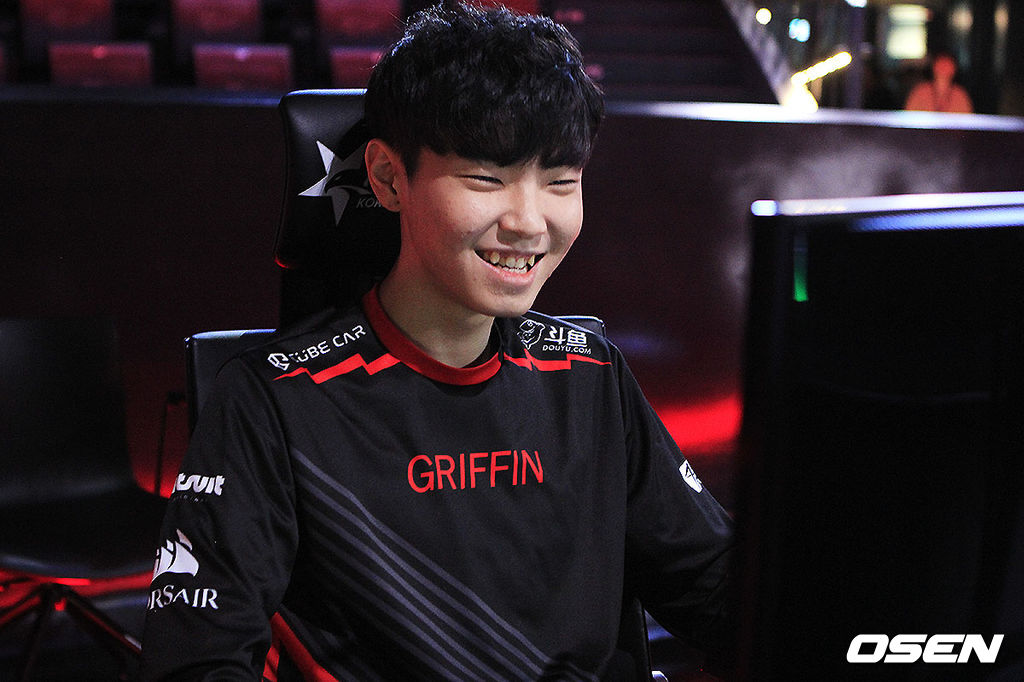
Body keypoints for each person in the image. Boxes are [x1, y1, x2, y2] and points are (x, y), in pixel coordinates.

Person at [140, 3, 733, 679]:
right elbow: (197, 661)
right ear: (389, 178)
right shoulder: (273, 402)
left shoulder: (589, 372)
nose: (528, 222)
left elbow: (716, 586)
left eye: (561, 182)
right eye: (486, 179)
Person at [904, 51, 974, 113]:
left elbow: (966, 119)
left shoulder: (960, 95)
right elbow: (909, 115)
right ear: (933, 67)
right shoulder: (920, 92)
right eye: (941, 64)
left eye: (947, 64)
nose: (943, 68)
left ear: (954, 69)